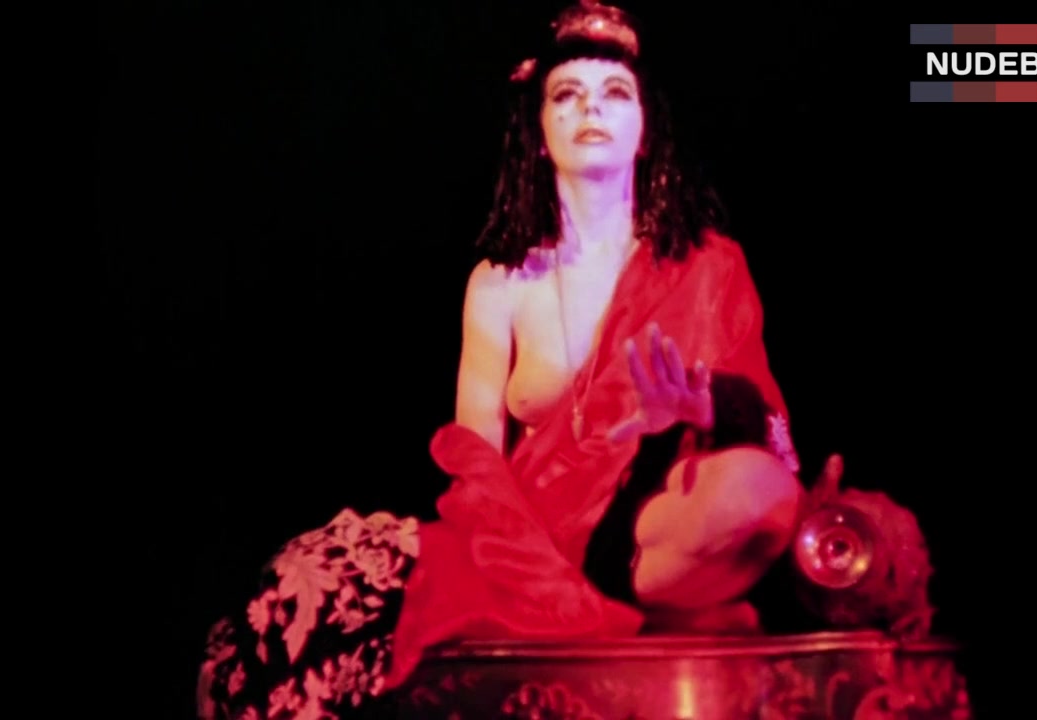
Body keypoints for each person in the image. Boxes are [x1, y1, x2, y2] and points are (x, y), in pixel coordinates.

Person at [197, 3, 813, 718]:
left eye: (615, 93)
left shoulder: (707, 265)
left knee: (763, 492)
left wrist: (702, 407)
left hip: (655, 526)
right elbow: (477, 458)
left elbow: (775, 439)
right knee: (309, 581)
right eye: (567, 94)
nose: (591, 109)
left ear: (647, 130)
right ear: (539, 134)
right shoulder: (498, 284)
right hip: (525, 541)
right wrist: (534, 571)